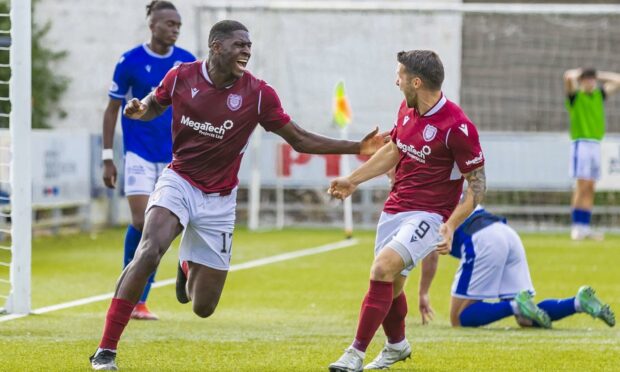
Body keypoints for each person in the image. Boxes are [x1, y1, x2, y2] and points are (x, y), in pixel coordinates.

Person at [89, 20, 388, 371]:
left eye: (250, 45)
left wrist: (356, 146)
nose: (247, 50)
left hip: (220, 199)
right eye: (239, 44)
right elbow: (156, 102)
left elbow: (300, 139)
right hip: (179, 181)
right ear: (216, 47)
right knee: (149, 250)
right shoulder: (182, 75)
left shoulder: (259, 94)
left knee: (203, 307)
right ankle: (106, 349)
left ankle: (187, 265)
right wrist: (141, 110)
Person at [327, 50, 486, 372]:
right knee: (391, 287)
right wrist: (353, 180)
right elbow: (395, 149)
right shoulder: (406, 108)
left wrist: (451, 224)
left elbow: (477, 187)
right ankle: (397, 346)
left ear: (416, 81)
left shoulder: (458, 127)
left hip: (430, 215)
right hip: (396, 208)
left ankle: (354, 354)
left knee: (381, 269)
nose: (395, 81)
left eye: (399, 76)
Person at [101, 1, 195, 321]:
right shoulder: (130, 61)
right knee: (143, 223)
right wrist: (107, 158)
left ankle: (148, 291)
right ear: (153, 25)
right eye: (169, 23)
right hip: (138, 151)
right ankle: (134, 297)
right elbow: (112, 109)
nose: (175, 29)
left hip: (175, 156)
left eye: (178, 24)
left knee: (169, 226)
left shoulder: (185, 63)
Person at [448, 206, 615, 329]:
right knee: (526, 320)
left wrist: (422, 293)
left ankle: (516, 305)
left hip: (482, 239)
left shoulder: (429, 199)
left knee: (459, 319)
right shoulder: (448, 184)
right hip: (507, 233)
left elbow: (431, 253)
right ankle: (578, 302)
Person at [563, 68, 620, 241]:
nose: (590, 82)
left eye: (592, 79)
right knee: (581, 184)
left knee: (591, 186)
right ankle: (576, 227)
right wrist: (580, 73)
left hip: (595, 144)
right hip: (581, 144)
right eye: (587, 79)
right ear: (581, 81)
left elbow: (618, 80)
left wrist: (598, 74)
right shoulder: (575, 97)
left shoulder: (599, 95)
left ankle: (585, 227)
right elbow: (567, 77)